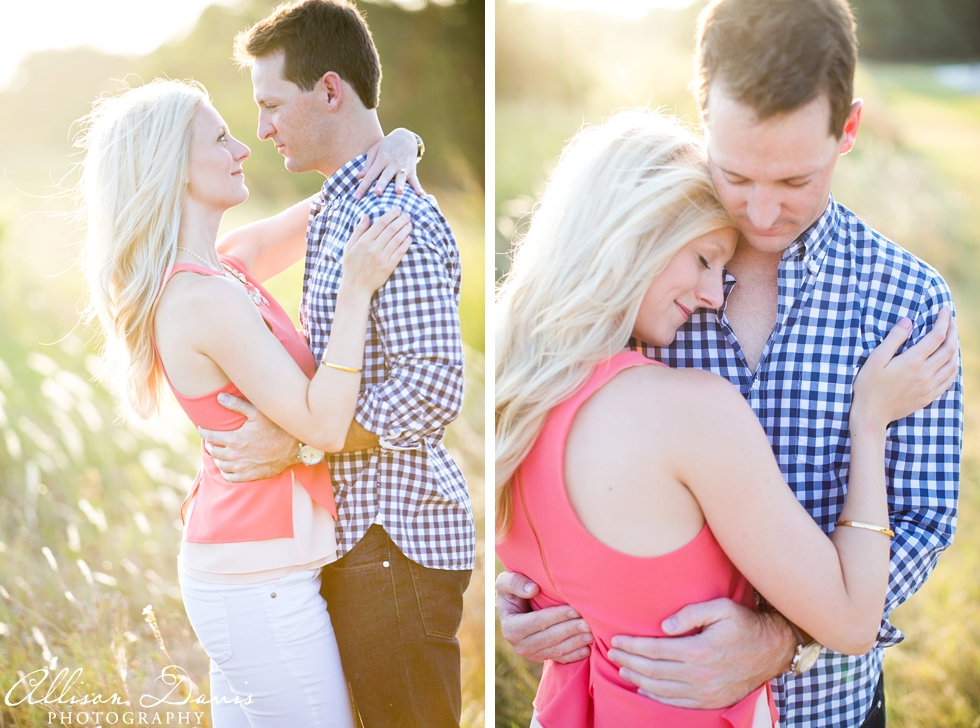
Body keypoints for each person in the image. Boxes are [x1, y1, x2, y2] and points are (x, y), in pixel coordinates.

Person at [496, 0, 963, 726]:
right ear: (703, 113)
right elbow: (573, 455)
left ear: (849, 130)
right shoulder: (649, 278)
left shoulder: (907, 302)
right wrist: (528, 588)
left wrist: (782, 640)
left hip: (827, 705)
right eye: (738, 176)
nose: (763, 212)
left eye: (794, 182)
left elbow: (922, 519)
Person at [78, 77, 419, 726]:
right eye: (220, 136)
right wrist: (355, 291)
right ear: (172, 166)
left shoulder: (225, 267)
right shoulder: (202, 300)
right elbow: (323, 419)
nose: (244, 147)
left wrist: (402, 142)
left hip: (257, 572)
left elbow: (333, 201)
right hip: (256, 583)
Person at [191, 2, 475, 726]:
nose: (261, 128)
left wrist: (299, 440)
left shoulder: (390, 213)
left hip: (395, 541)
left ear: (328, 89)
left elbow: (433, 386)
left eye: (271, 104)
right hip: (361, 545)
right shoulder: (343, 206)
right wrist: (402, 137)